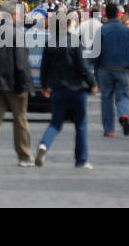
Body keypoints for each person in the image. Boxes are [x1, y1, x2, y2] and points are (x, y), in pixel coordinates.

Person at [36, 9, 96, 169]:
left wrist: (44, 86)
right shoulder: (76, 42)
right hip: (77, 90)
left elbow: (44, 68)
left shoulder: (50, 43)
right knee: (80, 125)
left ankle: (44, 144)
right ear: (69, 25)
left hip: (58, 89)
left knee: (55, 123)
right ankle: (81, 160)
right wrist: (92, 83)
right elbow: (83, 67)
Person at [0, 0, 34, 167]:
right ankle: (24, 155)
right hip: (14, 83)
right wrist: (24, 85)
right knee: (20, 119)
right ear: (14, 15)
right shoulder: (17, 34)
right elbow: (21, 62)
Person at [94, 1, 129, 137]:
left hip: (105, 68)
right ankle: (124, 115)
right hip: (122, 68)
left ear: (106, 14)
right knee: (122, 96)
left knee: (106, 99)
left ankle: (109, 130)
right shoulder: (127, 31)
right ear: (118, 14)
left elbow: (95, 52)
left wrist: (95, 70)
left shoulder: (102, 30)